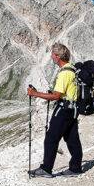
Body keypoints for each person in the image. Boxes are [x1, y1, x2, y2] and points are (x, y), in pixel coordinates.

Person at [27, 42, 83, 178]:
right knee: (72, 138)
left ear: (58, 56)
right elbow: (63, 92)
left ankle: (46, 169)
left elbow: (56, 96)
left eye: (53, 54)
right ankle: (75, 168)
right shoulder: (72, 69)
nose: (51, 57)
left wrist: (35, 94)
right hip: (72, 110)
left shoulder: (64, 73)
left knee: (51, 138)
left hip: (63, 110)